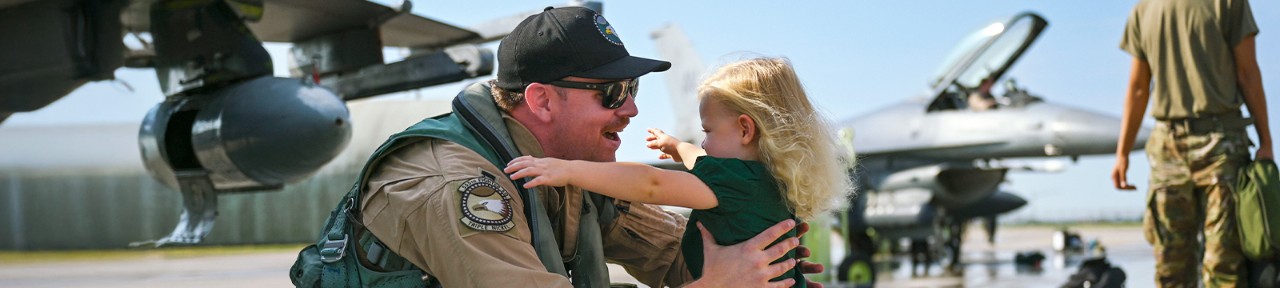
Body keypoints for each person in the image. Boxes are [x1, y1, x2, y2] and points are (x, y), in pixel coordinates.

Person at [352, 7, 823, 288]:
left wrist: (758, 252)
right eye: (612, 93)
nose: (632, 110)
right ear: (541, 100)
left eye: (633, 89)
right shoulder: (459, 189)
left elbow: (676, 257)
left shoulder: (570, 175)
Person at [505, 58, 853, 287]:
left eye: (709, 131)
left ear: (746, 130)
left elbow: (652, 184)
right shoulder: (765, 179)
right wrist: (675, 147)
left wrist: (568, 170)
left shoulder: (730, 182)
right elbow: (699, 160)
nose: (703, 141)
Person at [1111, 0, 1271, 287]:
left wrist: (1123, 153)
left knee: (1173, 266)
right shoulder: (1227, 3)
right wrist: (1266, 141)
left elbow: (1137, 88)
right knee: (1222, 265)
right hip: (1219, 145)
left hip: (1174, 149)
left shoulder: (1144, 9)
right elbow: (1247, 73)